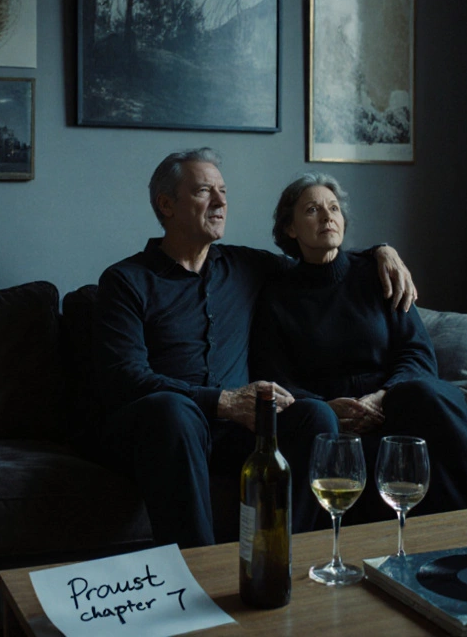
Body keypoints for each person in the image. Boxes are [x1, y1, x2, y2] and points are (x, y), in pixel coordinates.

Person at [92, 149, 418, 548]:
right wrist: (222, 401)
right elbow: (124, 377)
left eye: (223, 191)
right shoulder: (125, 281)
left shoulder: (247, 267)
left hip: (236, 433)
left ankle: (281, 556)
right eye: (203, 191)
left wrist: (381, 251)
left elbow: (319, 257)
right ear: (166, 205)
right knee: (173, 409)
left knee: (314, 415)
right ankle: (198, 575)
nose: (220, 201)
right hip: (159, 429)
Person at [250, 173, 467, 524]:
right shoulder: (277, 297)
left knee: (431, 395)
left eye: (334, 208)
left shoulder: (377, 273)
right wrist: (326, 406)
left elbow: (417, 351)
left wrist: (384, 395)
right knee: (318, 420)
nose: (327, 217)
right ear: (290, 229)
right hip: (328, 414)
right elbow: (274, 374)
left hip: (394, 402)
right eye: (312, 209)